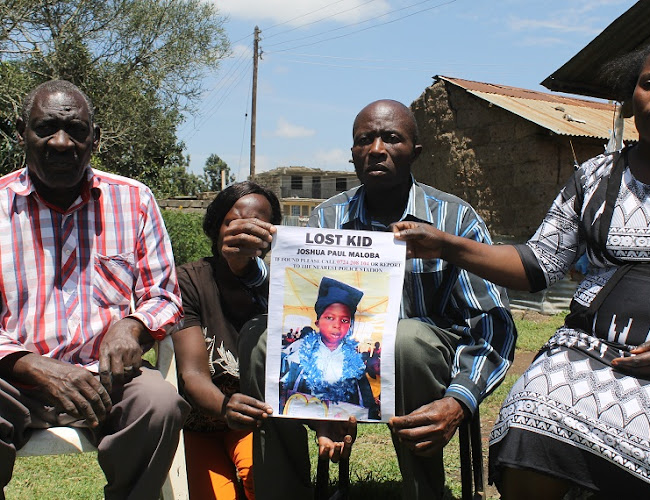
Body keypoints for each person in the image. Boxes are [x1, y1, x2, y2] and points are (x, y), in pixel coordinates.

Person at [393, 33, 650, 499]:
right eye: (649, 83)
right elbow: (537, 263)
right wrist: (447, 245)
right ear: (632, 96)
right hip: (589, 351)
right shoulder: (594, 177)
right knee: (527, 419)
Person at [238, 99, 517, 499]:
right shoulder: (326, 219)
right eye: (364, 140)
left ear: (415, 152)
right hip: (336, 358)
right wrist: (323, 405)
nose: (377, 149)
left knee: (406, 339)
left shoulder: (454, 219)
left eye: (391, 138)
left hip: (421, 364)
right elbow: (297, 305)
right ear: (353, 153)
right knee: (265, 344)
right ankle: (284, 492)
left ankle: (424, 493)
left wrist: (460, 399)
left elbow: (492, 321)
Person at [0, 79, 188, 499]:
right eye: (47, 128)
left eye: (77, 131)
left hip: (108, 381)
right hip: (13, 382)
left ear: (95, 139)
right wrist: (31, 365)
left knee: (160, 404)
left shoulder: (133, 199)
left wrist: (134, 325)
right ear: (20, 132)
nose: (62, 142)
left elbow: (164, 295)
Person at [171, 181, 280, 499]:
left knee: (258, 482)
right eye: (233, 223)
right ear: (216, 227)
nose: (245, 233)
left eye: (258, 226)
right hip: (199, 424)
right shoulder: (187, 281)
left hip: (254, 422)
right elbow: (192, 374)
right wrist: (224, 406)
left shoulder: (279, 286)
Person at [279, 277, 377, 420]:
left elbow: (368, 410)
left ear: (350, 326)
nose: (337, 325)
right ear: (317, 322)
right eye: (330, 318)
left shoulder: (356, 368)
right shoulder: (296, 359)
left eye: (344, 320)